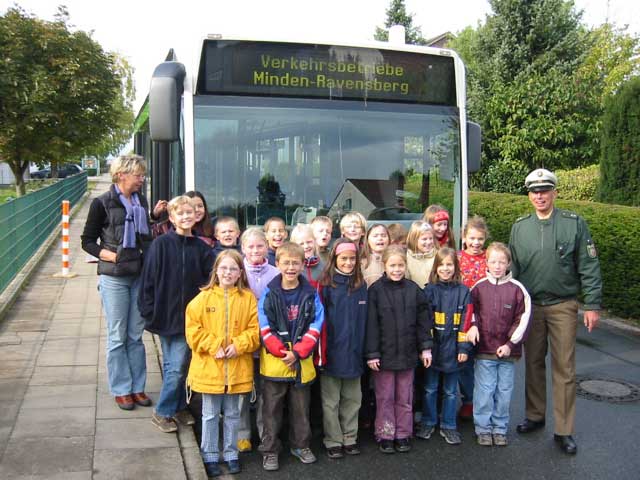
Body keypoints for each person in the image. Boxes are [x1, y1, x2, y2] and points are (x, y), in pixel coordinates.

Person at [509, 168, 602, 455]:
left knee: (565, 368)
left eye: (545, 190)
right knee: (533, 363)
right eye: (535, 191)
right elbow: (513, 270)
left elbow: (588, 266)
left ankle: (564, 430)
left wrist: (592, 304)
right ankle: (535, 416)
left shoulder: (574, 223)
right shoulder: (519, 227)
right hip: (532, 307)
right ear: (529, 195)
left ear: (555, 192)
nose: (540, 196)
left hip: (563, 305)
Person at [81, 154, 153, 410]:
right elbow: (87, 240)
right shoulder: (101, 203)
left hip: (138, 275)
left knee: (135, 335)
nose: (142, 180)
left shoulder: (140, 201)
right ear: (122, 174)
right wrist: (112, 256)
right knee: (117, 336)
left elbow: (145, 233)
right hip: (114, 278)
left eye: (142, 175)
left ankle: (137, 388)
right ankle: (121, 389)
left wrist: (154, 214)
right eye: (138, 175)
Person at [138, 196, 215, 432]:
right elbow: (148, 279)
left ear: (196, 216)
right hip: (165, 315)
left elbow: (208, 284)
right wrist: (148, 310)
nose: (185, 217)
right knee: (176, 366)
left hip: (192, 318)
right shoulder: (161, 245)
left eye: (189, 213)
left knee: (181, 364)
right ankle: (163, 411)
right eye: (180, 214)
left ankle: (179, 406)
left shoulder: (202, 249)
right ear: (171, 218)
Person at [185, 249, 260, 477]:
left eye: (233, 269)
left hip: (237, 369)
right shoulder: (202, 299)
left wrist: (239, 344)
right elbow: (193, 331)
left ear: (240, 273)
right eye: (224, 268)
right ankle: (209, 454)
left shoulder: (248, 299)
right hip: (210, 369)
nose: (228, 272)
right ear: (216, 271)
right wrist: (214, 344)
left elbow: (255, 330)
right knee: (209, 415)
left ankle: (230, 453)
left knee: (233, 414)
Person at [258, 242, 324, 471]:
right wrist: (281, 351)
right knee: (271, 411)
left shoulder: (310, 292)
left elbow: (316, 324)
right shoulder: (269, 291)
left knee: (301, 409)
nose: (290, 267)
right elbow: (264, 326)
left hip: (301, 361)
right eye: (285, 262)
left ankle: (301, 445)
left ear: (302, 264)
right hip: (275, 362)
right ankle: (270, 451)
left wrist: (298, 352)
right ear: (277, 264)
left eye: (295, 262)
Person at [365, 245, 433, 454]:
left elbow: (423, 323)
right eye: (392, 265)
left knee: (405, 397)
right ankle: (385, 433)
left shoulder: (414, 290)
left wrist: (426, 349)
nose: (396, 269)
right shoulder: (375, 290)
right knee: (385, 397)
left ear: (406, 265)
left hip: (408, 354)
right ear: (384, 265)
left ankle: (403, 433)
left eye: (400, 265)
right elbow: (371, 325)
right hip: (384, 356)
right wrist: (372, 353)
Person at [465, 242, 531, 446]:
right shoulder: (478, 287)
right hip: (485, 350)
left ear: (508, 263)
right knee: (484, 391)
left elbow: (523, 318)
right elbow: (470, 311)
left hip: (507, 353)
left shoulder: (517, 289)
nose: (497, 265)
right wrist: (473, 326)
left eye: (501, 262)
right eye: (493, 261)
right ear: (486, 262)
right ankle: (483, 428)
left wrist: (510, 344)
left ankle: (500, 428)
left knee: (503, 392)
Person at [415, 247, 472, 446]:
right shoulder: (428, 291)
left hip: (455, 352)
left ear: (456, 267)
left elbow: (466, 322)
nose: (446, 269)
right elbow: (424, 322)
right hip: (434, 351)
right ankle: (428, 421)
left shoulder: (464, 292)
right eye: (442, 265)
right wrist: (425, 348)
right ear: (435, 268)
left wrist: (463, 348)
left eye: (450, 265)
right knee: (430, 388)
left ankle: (449, 425)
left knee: (450, 391)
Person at [318, 239, 368, 459]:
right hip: (332, 351)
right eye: (344, 258)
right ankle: (333, 439)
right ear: (335, 259)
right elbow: (319, 320)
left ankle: (350, 436)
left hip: (355, 351)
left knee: (353, 399)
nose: (348, 263)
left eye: (352, 258)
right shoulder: (326, 285)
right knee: (331, 401)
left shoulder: (361, 285)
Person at [237, 227, 279, 452]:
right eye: (250, 246)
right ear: (243, 248)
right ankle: (242, 434)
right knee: (242, 390)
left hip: (268, 343)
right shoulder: (237, 271)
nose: (255, 250)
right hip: (243, 343)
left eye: (260, 246)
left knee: (266, 392)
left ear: (267, 247)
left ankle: (265, 434)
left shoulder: (275, 273)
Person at [457, 216, 489, 419]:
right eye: (472, 238)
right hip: (464, 317)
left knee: (485, 362)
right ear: (464, 237)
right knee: (464, 361)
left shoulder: (489, 258)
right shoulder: (457, 258)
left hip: (487, 317)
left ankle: (484, 402)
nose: (476, 243)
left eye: (480, 239)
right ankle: (469, 399)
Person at [290, 223, 324, 290]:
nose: (306, 246)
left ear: (315, 241)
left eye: (309, 242)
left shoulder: (323, 266)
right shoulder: (291, 268)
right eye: (301, 244)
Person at [405, 221, 437, 289]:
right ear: (414, 240)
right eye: (424, 239)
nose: (428, 242)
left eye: (430, 238)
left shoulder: (437, 256)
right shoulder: (407, 257)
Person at [361, 223, 390, 287]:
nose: (380, 238)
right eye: (375, 236)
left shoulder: (395, 259)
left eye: (383, 235)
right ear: (367, 239)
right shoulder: (361, 263)